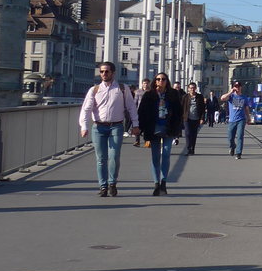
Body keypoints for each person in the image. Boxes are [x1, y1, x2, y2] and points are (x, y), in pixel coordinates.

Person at [79, 62, 141, 197]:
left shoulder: (122, 89)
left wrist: (135, 125)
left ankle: (112, 183)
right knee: (101, 158)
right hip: (99, 127)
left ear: (113, 73)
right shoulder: (94, 90)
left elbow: (131, 107)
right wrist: (84, 126)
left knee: (114, 157)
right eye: (101, 71)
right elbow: (86, 109)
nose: (104, 74)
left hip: (116, 126)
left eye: (107, 72)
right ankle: (103, 186)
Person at [138, 72, 185, 194]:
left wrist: (178, 127)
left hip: (168, 127)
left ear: (167, 81)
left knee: (166, 154)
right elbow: (142, 111)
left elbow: (178, 111)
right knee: (155, 157)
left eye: (163, 79)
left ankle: (163, 182)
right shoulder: (149, 95)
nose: (160, 81)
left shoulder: (173, 94)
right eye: (158, 79)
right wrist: (140, 128)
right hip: (153, 128)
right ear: (155, 81)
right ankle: (156, 183)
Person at [221, 80, 251, 159]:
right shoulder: (231, 96)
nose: (237, 88)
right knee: (230, 137)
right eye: (236, 86)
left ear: (241, 87)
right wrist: (230, 92)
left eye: (238, 86)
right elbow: (222, 98)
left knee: (240, 136)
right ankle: (232, 146)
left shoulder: (244, 97)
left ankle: (238, 153)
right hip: (232, 120)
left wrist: (248, 118)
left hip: (241, 119)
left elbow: (246, 108)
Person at [181, 83, 206, 155]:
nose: (192, 89)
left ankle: (192, 149)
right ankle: (188, 148)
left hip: (196, 118)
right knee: (187, 133)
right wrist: (181, 117)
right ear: (188, 89)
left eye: (194, 88)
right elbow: (181, 107)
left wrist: (202, 118)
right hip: (187, 118)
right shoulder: (185, 97)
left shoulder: (199, 97)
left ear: (196, 89)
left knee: (194, 134)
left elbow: (202, 108)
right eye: (191, 88)